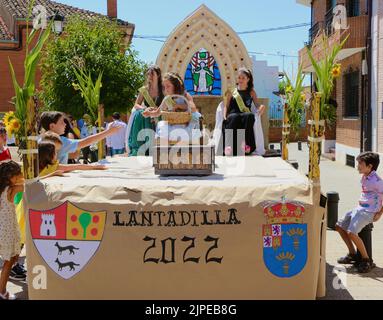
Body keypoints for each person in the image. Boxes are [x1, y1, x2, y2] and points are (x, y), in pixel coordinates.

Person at [336, 152, 383, 273]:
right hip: (359, 209)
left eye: (360, 163)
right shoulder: (364, 177)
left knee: (351, 232)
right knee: (339, 226)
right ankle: (352, 254)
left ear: (370, 166)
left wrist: (379, 213)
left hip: (369, 212)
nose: (358, 166)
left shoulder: (377, 181)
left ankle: (366, 260)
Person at [40, 111, 122, 164]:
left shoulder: (41, 139)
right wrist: (108, 132)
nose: (65, 125)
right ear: (52, 126)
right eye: (62, 122)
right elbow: (86, 141)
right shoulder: (61, 141)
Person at [143, 72, 202, 145]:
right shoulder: (167, 98)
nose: (166, 89)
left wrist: (178, 105)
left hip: (187, 122)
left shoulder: (185, 95)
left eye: (168, 86)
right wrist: (149, 113)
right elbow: (158, 112)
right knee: (161, 125)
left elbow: (193, 108)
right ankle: (166, 150)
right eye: (164, 87)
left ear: (176, 86)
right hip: (175, 122)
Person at [220, 68, 265, 156]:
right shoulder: (232, 91)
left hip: (245, 114)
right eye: (239, 78)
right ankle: (228, 146)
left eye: (243, 78)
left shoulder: (251, 92)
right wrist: (224, 115)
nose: (240, 80)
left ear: (248, 79)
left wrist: (261, 107)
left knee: (250, 116)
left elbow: (257, 105)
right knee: (234, 117)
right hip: (233, 113)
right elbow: (226, 105)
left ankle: (246, 145)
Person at [127, 66, 164, 156]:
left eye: (152, 74)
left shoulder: (163, 89)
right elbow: (136, 104)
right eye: (148, 74)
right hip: (147, 115)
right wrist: (144, 109)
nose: (149, 76)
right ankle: (143, 148)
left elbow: (169, 103)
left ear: (158, 75)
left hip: (160, 114)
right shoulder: (144, 89)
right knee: (140, 114)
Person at [0, 160, 24, 300]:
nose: (20, 176)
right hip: (7, 231)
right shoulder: (11, 189)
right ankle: (2, 291)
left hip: (5, 230)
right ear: (10, 177)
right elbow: (30, 184)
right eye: (18, 174)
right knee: (8, 263)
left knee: (12, 259)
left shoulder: (3, 189)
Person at [38, 140, 106, 177]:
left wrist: (94, 167)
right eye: (55, 152)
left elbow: (75, 166)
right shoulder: (52, 168)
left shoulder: (53, 166)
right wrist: (52, 174)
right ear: (49, 155)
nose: (57, 154)